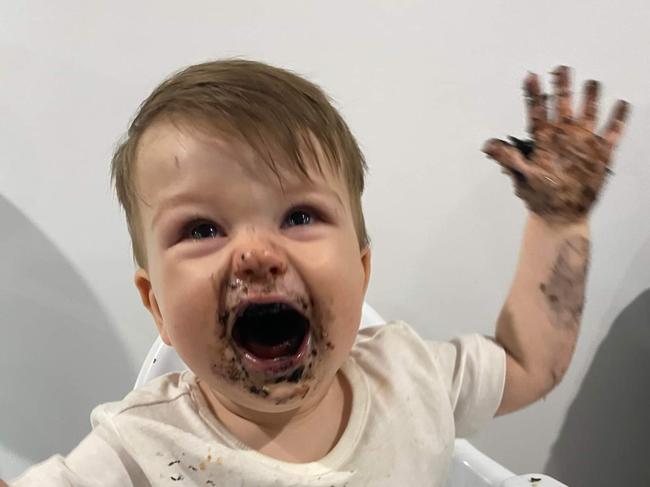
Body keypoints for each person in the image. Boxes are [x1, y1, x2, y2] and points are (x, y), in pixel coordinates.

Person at [7, 60, 629, 486]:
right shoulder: (134, 451)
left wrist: (560, 221)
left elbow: (529, 364)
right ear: (157, 308)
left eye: (299, 215)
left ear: (361, 271)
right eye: (202, 230)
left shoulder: (409, 378)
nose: (255, 253)